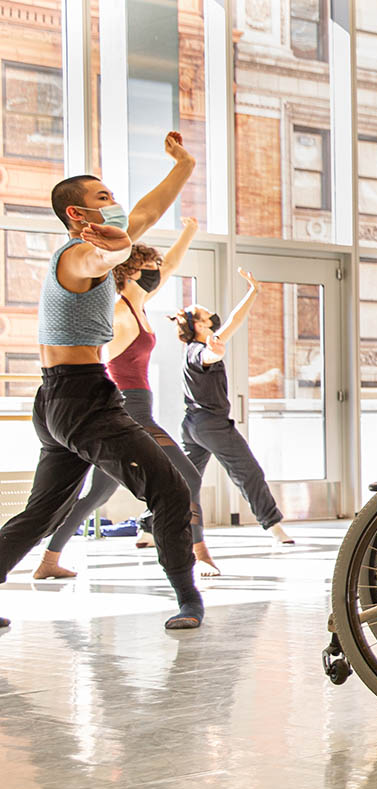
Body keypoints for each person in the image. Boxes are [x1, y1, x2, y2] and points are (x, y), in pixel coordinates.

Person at [0, 131, 205, 630]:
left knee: (41, 513)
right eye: (104, 198)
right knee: (173, 492)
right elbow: (100, 259)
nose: (116, 204)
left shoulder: (98, 244)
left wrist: (184, 165)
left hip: (56, 399)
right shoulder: (76, 255)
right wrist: (115, 252)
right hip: (81, 397)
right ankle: (188, 600)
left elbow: (147, 215)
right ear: (77, 213)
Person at [37, 219, 219, 578]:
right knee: (186, 475)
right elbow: (97, 354)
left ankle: (48, 560)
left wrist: (190, 232)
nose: (157, 271)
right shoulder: (119, 311)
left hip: (138, 405)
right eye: (150, 266)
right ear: (131, 272)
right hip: (130, 410)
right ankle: (197, 551)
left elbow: (171, 264)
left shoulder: (140, 302)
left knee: (97, 494)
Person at [168, 268, 294, 549]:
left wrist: (253, 291)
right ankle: (274, 527)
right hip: (211, 424)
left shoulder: (195, 347)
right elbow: (211, 353)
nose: (211, 315)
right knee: (248, 473)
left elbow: (235, 322)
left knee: (184, 479)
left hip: (192, 425)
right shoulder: (198, 350)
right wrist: (216, 352)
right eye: (204, 314)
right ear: (199, 325)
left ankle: (147, 530)